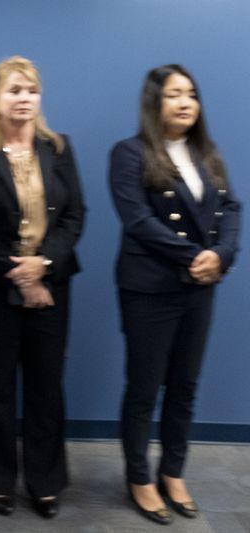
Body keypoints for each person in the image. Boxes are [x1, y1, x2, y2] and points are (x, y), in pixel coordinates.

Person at [110, 64, 240, 525]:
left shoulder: (209, 154)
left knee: (185, 387)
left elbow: (229, 208)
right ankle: (140, 478)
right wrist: (193, 255)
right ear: (154, 103)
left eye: (191, 93)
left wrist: (221, 255)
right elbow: (137, 220)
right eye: (173, 95)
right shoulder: (129, 153)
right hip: (149, 288)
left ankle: (173, 472)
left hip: (198, 288)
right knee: (145, 390)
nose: (185, 102)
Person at [0, 56, 85, 519]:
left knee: (46, 387)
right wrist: (20, 274)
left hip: (53, 288)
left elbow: (75, 216)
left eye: (31, 90)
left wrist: (43, 266)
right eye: (14, 90)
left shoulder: (59, 148)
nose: (24, 98)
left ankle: (45, 481)